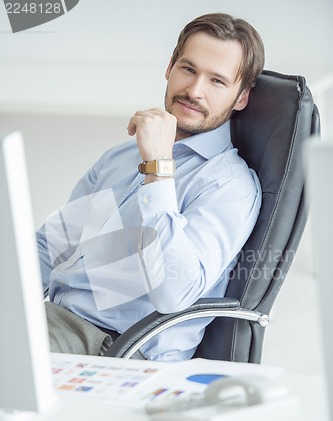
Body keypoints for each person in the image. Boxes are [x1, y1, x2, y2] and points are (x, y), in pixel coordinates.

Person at [37, 12, 265, 361]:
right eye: (188, 69)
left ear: (241, 98)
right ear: (170, 66)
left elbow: (174, 294)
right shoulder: (124, 155)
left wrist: (159, 167)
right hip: (54, 320)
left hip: (114, 347)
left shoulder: (230, 186)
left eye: (217, 81)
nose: (194, 91)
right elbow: (53, 246)